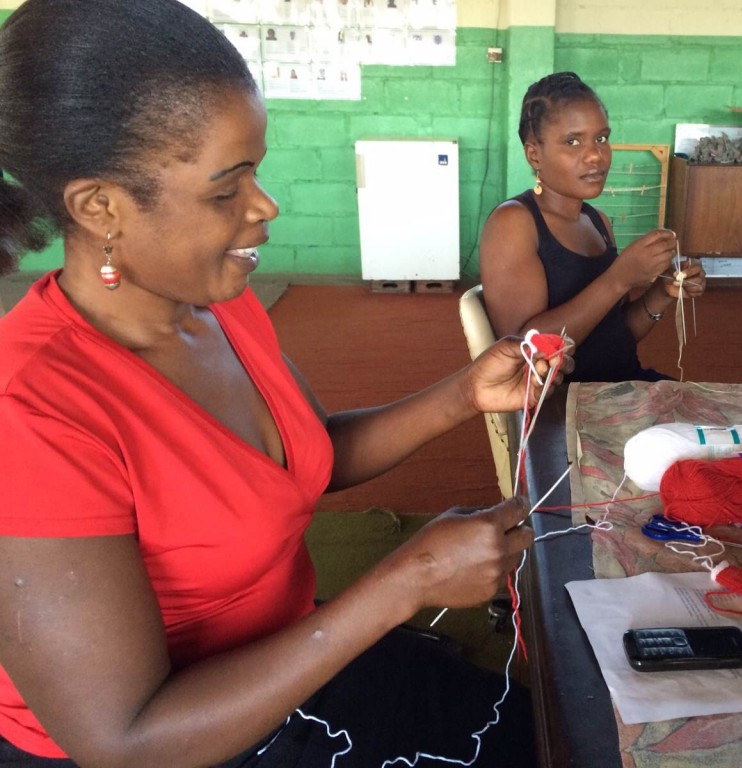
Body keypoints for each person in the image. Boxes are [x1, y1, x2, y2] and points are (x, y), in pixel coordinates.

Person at [0, 1, 561, 765]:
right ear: (101, 207)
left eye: (254, 173)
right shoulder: (32, 412)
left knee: (544, 733)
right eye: (226, 189)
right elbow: (124, 737)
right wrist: (404, 582)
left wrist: (464, 394)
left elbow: (303, 458)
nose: (265, 207)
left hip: (286, 655)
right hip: (187, 736)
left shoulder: (212, 310)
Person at [479, 71, 707, 383]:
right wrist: (618, 278)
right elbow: (524, 351)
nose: (595, 155)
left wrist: (662, 292)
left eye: (601, 138)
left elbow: (613, 338)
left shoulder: (597, 222)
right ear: (534, 154)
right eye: (572, 141)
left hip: (621, 387)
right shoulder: (514, 223)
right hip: (562, 409)